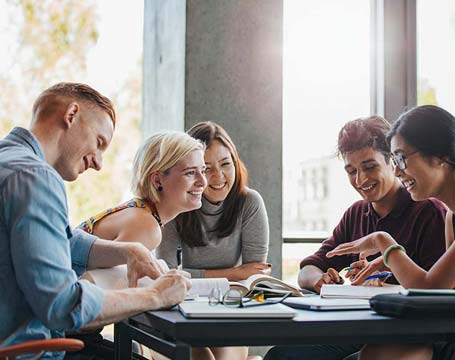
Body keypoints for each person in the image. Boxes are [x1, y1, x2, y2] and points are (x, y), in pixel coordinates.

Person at [327, 105, 455, 360]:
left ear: (440, 156)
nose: (396, 171)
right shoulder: (454, 215)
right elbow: (442, 296)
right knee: (376, 352)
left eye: (402, 158)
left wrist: (384, 243)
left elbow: (428, 290)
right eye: (394, 161)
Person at [0, 83, 190, 359]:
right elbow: (63, 305)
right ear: (71, 115)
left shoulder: (10, 162)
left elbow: (56, 239)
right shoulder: (35, 177)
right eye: (99, 143)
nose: (99, 163)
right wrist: (157, 295)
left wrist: (127, 250)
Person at [264, 115, 447, 360]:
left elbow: (436, 293)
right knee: (282, 356)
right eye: (352, 171)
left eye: (370, 167)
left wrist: (384, 284)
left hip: (408, 336)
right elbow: (308, 269)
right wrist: (320, 281)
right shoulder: (356, 213)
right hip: (360, 331)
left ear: (393, 162)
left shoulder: (428, 212)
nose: (360, 180)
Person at [157, 121, 270, 360]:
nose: (218, 177)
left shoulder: (249, 202)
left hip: (228, 311)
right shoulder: (175, 204)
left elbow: (254, 277)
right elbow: (167, 276)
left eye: (225, 164)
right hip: (180, 313)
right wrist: (234, 273)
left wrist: (237, 276)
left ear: (235, 162)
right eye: (206, 168)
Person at [78, 130, 207, 252]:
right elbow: (94, 275)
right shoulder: (146, 226)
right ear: (157, 180)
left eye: (203, 171)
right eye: (190, 173)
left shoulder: (142, 212)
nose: (203, 182)